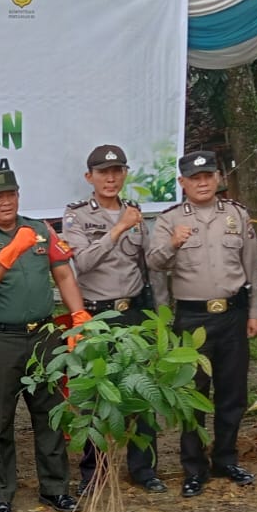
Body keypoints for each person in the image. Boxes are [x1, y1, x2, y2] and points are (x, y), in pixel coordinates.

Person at [0, 168, 88, 512]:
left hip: (44, 336)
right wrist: (12, 250)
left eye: (11, 194)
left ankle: (56, 488)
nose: (6, 201)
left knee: (49, 414)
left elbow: (63, 272)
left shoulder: (40, 229)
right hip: (0, 339)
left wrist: (78, 316)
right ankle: (1, 495)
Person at [146, 151, 257, 498]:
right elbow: (153, 264)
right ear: (182, 182)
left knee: (232, 393)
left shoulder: (236, 215)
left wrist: (256, 310)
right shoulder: (168, 221)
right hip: (191, 318)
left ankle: (226, 459)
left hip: (232, 314)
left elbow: (252, 266)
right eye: (194, 178)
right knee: (192, 395)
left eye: (208, 176)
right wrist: (172, 243)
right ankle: (194, 468)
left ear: (218, 178)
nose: (202, 182)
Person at [61, 145, 163, 494]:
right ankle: (94, 472)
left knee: (142, 392)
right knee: (96, 396)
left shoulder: (135, 214)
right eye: (103, 172)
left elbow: (148, 265)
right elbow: (83, 263)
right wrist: (118, 229)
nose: (111, 177)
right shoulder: (76, 216)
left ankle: (144, 469)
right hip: (97, 315)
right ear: (89, 177)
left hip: (133, 311)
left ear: (125, 174)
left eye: (117, 171)